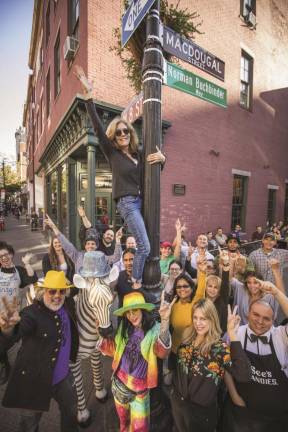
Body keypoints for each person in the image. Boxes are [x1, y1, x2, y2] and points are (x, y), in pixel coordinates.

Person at [74, 66, 166, 290]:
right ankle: (135, 280)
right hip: (127, 202)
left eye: (126, 131)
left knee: (149, 243)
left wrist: (163, 159)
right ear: (113, 137)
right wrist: (89, 95)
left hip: (142, 200)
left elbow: (154, 174)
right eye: (118, 132)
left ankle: (140, 276)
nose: (123, 134)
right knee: (143, 246)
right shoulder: (112, 153)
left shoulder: (138, 155)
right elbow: (96, 125)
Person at [0, 270, 80, 432]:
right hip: (33, 382)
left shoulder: (67, 303)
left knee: (71, 412)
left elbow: (79, 287)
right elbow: (16, 332)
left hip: (63, 377)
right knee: (29, 424)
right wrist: (8, 329)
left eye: (61, 291)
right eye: (52, 291)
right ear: (42, 292)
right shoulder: (31, 314)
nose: (57, 295)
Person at [97, 291, 174, 432]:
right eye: (128, 312)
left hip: (140, 390)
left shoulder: (154, 330)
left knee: (140, 427)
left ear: (143, 310)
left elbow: (162, 353)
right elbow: (113, 350)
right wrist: (99, 332)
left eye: (135, 310)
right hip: (119, 384)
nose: (131, 316)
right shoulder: (124, 328)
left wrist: (165, 322)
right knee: (123, 420)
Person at [170, 299, 250, 432]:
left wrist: (232, 335)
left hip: (202, 416)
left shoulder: (219, 348)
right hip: (179, 408)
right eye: (195, 317)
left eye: (203, 319)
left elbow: (243, 374)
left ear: (212, 320)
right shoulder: (186, 340)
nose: (198, 323)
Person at [222, 281, 288, 432]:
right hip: (242, 414)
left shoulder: (280, 336)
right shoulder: (235, 332)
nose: (260, 321)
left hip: (277, 417)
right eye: (256, 315)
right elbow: (226, 366)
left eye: (266, 318)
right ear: (247, 314)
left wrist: (276, 292)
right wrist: (234, 396)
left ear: (274, 320)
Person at [45, 214, 122, 272]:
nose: (90, 246)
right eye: (88, 244)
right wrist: (53, 227)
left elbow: (116, 257)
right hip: (82, 289)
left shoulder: (101, 257)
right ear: (85, 246)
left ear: (96, 246)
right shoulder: (78, 256)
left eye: (93, 244)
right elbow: (66, 244)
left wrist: (118, 240)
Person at [169, 258, 207, 371]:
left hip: (192, 352)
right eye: (179, 287)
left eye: (185, 286)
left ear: (191, 288)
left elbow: (201, 289)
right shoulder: (173, 306)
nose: (182, 289)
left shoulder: (195, 304)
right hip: (175, 351)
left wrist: (203, 272)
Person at [231, 258, 285, 325]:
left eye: (255, 283)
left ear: (261, 283)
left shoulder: (269, 297)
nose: (252, 286)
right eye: (249, 282)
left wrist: (275, 270)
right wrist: (231, 262)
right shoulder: (242, 289)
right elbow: (230, 279)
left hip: (264, 332)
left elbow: (281, 294)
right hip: (241, 331)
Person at [205, 248, 230, 333]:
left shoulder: (222, 300)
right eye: (210, 286)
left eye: (216, 287)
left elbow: (225, 282)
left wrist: (226, 263)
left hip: (219, 338)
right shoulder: (201, 300)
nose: (212, 289)